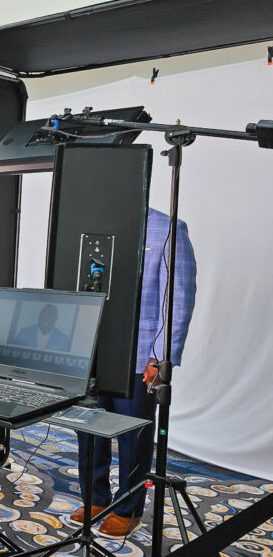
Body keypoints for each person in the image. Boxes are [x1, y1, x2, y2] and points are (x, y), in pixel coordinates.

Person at [71, 207, 197, 538]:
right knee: (88, 431)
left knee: (132, 436)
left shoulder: (167, 229)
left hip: (139, 357)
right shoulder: (89, 225)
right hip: (92, 352)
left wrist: (162, 357)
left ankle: (129, 508)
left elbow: (177, 299)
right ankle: (95, 498)